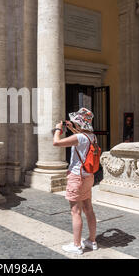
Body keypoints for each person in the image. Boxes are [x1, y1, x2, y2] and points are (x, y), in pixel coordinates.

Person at [52, 108, 98, 255]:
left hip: (77, 177)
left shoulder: (80, 138)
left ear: (80, 123)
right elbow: (81, 139)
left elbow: (56, 143)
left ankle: (77, 245)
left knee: (75, 211)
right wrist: (72, 128)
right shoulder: (92, 136)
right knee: (88, 209)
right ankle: (92, 241)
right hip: (88, 176)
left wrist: (58, 129)